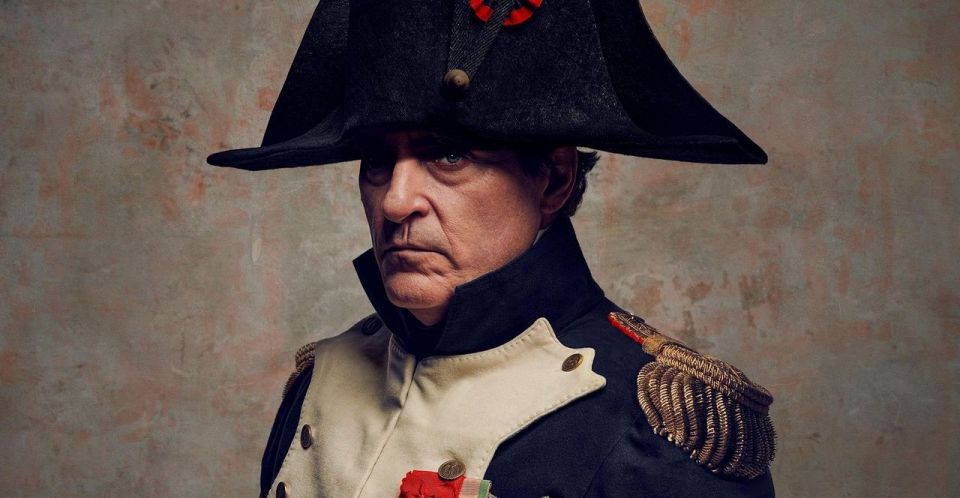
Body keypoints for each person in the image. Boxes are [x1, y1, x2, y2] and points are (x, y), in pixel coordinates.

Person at [208, 0, 776, 496]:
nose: (395, 202)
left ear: (553, 181)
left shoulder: (657, 428)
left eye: (449, 155)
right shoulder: (320, 384)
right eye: (378, 161)